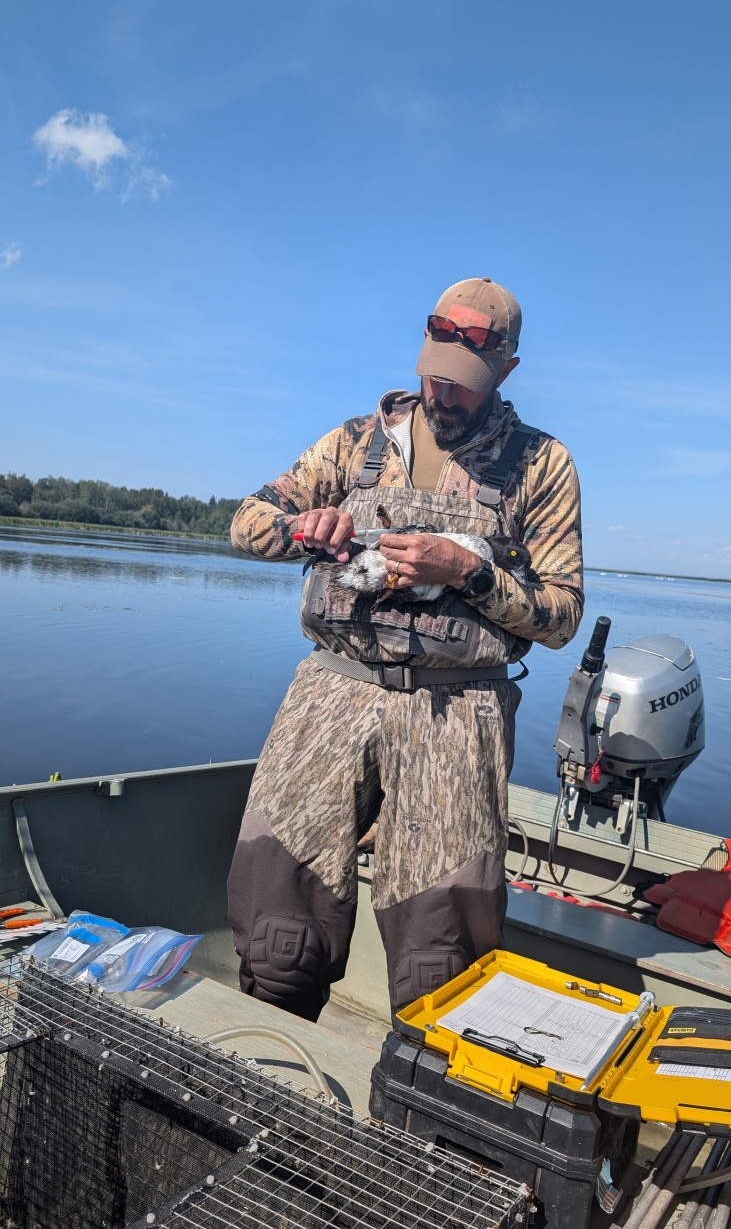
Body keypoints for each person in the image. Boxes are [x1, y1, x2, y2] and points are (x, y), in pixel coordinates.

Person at [228, 277, 584, 1021]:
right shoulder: (353, 442)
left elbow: (560, 617)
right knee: (277, 920)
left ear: (507, 370)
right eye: (435, 376)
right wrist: (305, 528)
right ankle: (271, 1054)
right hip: (330, 696)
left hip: (459, 713)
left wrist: (468, 572)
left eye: (464, 382)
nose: (444, 393)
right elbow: (246, 523)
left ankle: (424, 1081)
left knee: (441, 945)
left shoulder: (541, 464)